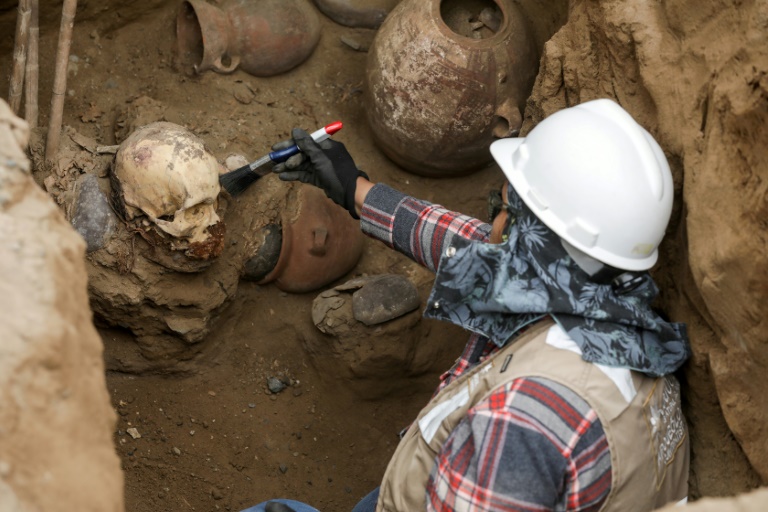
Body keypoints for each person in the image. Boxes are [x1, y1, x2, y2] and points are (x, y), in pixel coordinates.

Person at [252, 99, 692, 512]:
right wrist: (355, 189)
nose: (492, 222)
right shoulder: (626, 322)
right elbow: (474, 248)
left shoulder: (521, 423)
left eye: (501, 209)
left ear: (528, 237)